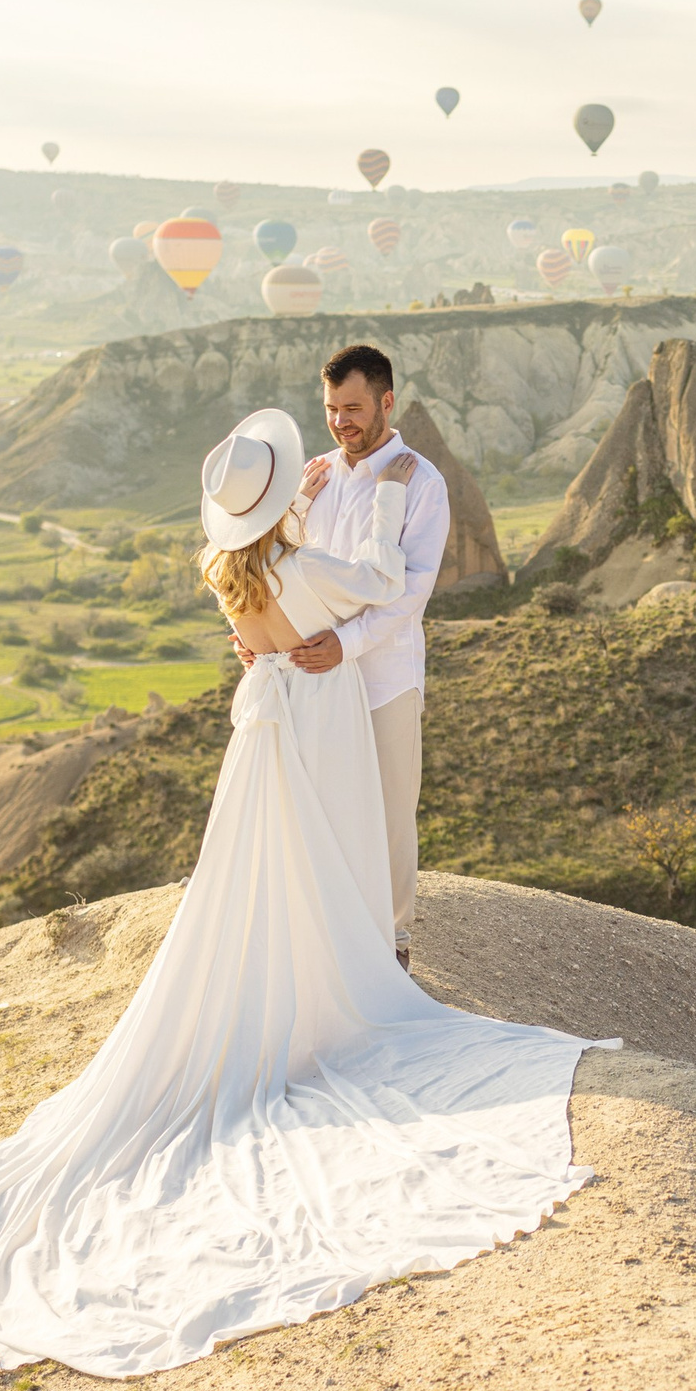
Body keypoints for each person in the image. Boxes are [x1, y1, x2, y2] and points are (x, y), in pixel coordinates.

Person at [0, 407, 611, 1380]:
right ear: (278, 503)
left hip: (264, 720)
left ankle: (280, 985)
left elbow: (271, 605)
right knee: (331, 851)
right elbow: (379, 582)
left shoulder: (233, 576)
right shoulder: (307, 568)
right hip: (320, 713)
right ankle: (335, 987)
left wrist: (294, 508)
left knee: (262, 868)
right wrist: (375, 506)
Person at [284, 343, 448, 970]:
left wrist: (346, 645)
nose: (340, 421)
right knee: (325, 805)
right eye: (330, 409)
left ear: (386, 401)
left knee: (388, 812)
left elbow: (411, 592)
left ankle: (395, 945)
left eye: (352, 407)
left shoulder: (420, 481)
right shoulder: (316, 476)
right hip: (316, 677)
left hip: (383, 677)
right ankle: (333, 939)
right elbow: (285, 568)